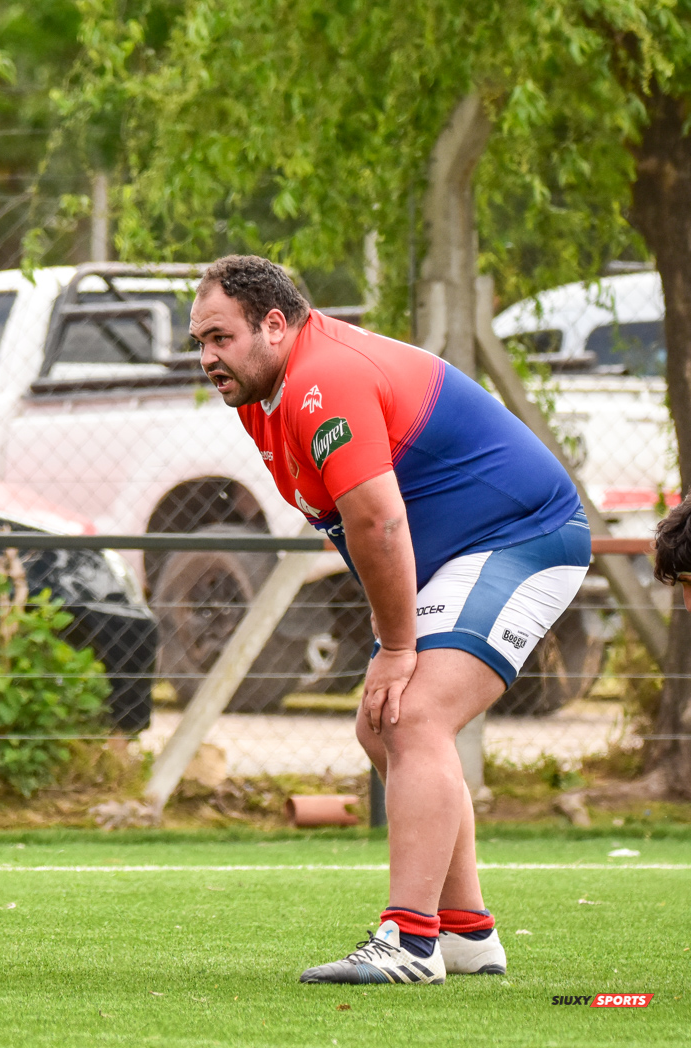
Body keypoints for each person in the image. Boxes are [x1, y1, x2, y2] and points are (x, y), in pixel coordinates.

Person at [190, 255, 588, 985]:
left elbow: (377, 521)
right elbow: (350, 523)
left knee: (410, 716)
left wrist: (397, 645)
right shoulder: (261, 397)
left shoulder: (322, 380)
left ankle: (409, 940)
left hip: (525, 536)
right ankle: (465, 932)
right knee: (382, 721)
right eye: (200, 343)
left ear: (274, 324)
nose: (208, 357)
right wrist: (391, 641)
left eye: (219, 336)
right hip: (458, 554)